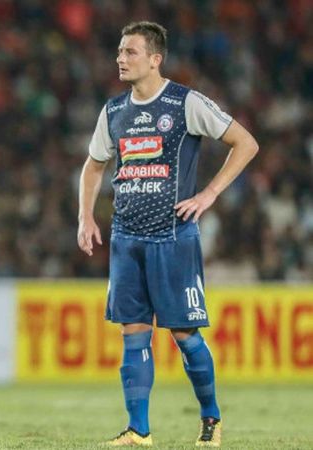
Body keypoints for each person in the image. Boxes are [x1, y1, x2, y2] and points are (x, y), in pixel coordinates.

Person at [77, 21, 258, 447]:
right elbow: (93, 165)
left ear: (156, 59)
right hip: (126, 237)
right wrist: (86, 217)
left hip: (172, 236)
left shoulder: (184, 103)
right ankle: (138, 429)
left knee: (183, 334)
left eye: (131, 52)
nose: (121, 58)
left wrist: (210, 193)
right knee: (132, 331)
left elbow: (245, 142)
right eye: (120, 51)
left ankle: (211, 418)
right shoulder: (114, 111)